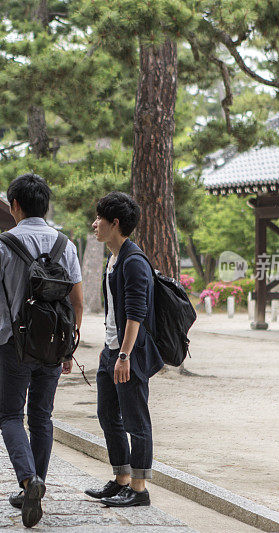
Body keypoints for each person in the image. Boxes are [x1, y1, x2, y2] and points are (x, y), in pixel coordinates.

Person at [0, 173, 83, 528]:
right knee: (42, 417)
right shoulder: (66, 245)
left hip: (13, 343)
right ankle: (36, 483)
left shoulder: (2, 244)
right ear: (45, 205)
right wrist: (69, 346)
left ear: (15, 205)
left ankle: (27, 480)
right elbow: (77, 302)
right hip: (53, 346)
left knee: (9, 416)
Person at [85, 192, 161, 507]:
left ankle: (139, 490)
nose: (94, 224)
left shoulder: (134, 262)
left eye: (99, 219)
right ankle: (121, 479)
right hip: (111, 349)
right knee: (107, 414)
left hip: (131, 353)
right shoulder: (115, 258)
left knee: (135, 419)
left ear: (115, 223)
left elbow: (136, 314)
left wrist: (125, 355)